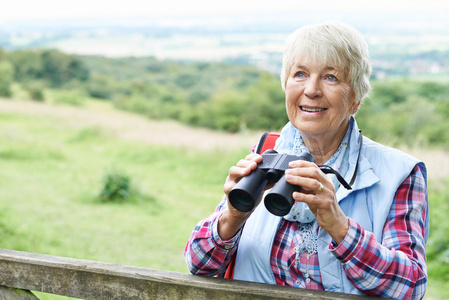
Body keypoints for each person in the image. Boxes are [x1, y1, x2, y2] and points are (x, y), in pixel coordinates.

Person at [184, 21, 429, 300]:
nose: (311, 90)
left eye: (331, 77)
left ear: (356, 99)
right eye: (300, 74)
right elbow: (198, 264)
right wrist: (233, 216)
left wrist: (339, 226)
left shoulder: (401, 174)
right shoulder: (266, 155)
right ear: (286, 86)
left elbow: (411, 287)